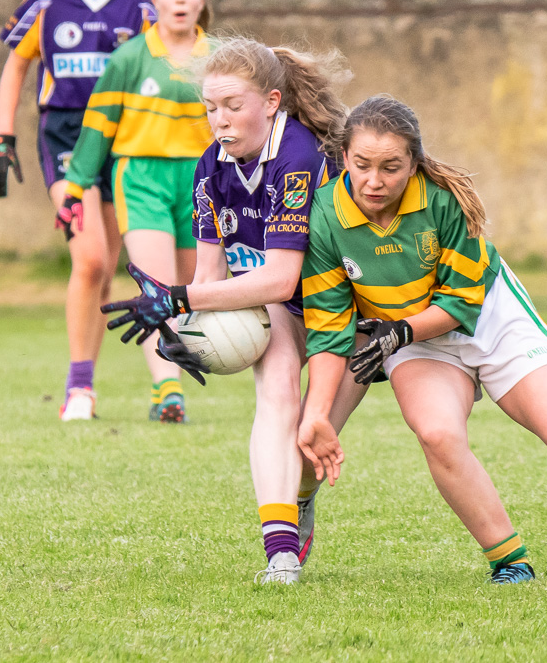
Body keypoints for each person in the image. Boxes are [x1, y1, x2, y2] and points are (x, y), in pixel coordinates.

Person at [296, 94, 547, 584]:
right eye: (362, 165)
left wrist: (399, 331)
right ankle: (510, 560)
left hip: (489, 321)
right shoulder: (324, 216)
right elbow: (330, 325)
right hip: (414, 341)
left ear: (414, 163)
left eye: (391, 167)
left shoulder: (444, 201)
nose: (374, 181)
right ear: (344, 160)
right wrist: (317, 412)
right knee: (438, 434)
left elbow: (461, 304)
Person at [101, 36, 369, 584]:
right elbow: (209, 276)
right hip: (283, 309)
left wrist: (177, 299)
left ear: (271, 102)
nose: (218, 120)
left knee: (309, 438)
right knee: (275, 390)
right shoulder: (210, 169)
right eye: (209, 108)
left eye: (232, 106)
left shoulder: (297, 157)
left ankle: (301, 495)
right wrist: (189, 330)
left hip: (353, 314)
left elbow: (281, 275)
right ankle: (281, 554)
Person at [0, 0, 156, 421]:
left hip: (122, 140)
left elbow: (162, 68)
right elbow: (16, 65)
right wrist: (3, 139)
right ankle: (78, 388)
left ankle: (89, 382)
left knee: (106, 267)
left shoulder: (138, 3)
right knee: (87, 259)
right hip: (64, 139)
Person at [58, 0, 212, 423]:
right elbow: (98, 127)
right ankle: (168, 389)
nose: (180, 0)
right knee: (156, 285)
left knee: (189, 294)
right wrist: (74, 187)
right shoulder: (130, 58)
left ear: (202, 0)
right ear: (154, 1)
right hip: (141, 177)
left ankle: (173, 377)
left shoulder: (222, 58)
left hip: (202, 182)